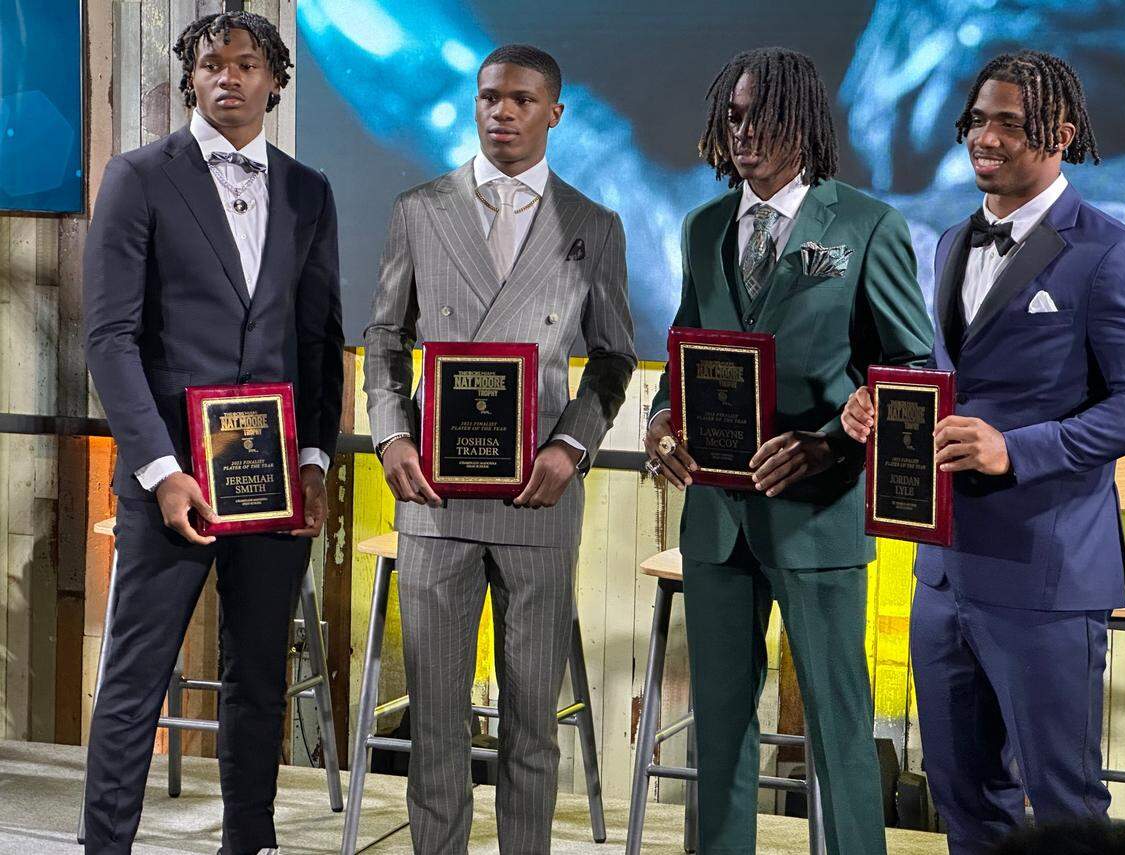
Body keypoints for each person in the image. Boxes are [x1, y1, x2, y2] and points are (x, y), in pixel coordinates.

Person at [841, 50, 1125, 854]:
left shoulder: (1109, 250)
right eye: (978, 118)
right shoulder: (945, 241)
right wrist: (883, 403)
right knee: (962, 794)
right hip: (942, 572)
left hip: (1047, 572)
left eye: (1011, 121)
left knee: (1066, 801)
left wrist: (1019, 449)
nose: (987, 136)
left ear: (1062, 134)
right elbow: (944, 378)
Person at [642, 47, 933, 855]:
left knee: (840, 732)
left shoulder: (868, 224)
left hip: (820, 518)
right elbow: (682, 353)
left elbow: (909, 369)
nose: (743, 132)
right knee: (719, 736)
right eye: (733, 115)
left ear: (803, 124)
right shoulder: (704, 226)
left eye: (761, 116)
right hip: (717, 523)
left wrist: (833, 440)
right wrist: (662, 421)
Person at [363, 44, 635, 854]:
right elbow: (383, 336)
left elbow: (616, 357)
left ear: (554, 112)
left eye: (520, 100)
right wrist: (389, 432)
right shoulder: (420, 209)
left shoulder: (594, 225)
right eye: (489, 98)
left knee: (530, 725)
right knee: (436, 725)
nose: (501, 112)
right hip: (433, 504)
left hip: (538, 500)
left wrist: (573, 447)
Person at [82, 12, 343, 854]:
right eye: (210, 63)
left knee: (259, 677)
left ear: (275, 80)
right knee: (134, 680)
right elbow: (109, 339)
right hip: (173, 481)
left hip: (269, 482)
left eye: (246, 63)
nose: (228, 75)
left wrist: (311, 460)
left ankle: (250, 841)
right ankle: (104, 846)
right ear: (189, 77)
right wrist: (160, 469)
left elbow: (316, 341)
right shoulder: (138, 177)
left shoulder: (310, 191)